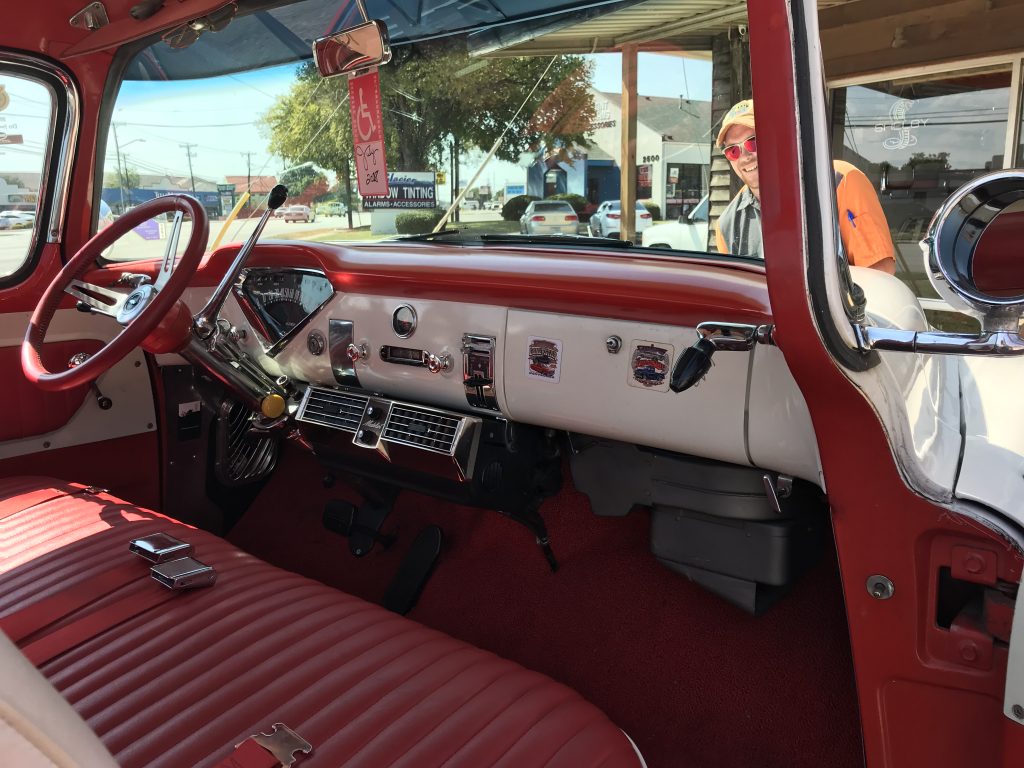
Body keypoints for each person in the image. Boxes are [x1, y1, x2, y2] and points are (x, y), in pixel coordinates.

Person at [714, 99, 896, 274]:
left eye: (753, 141)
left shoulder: (839, 181)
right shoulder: (727, 224)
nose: (745, 156)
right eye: (733, 151)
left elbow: (879, 271)